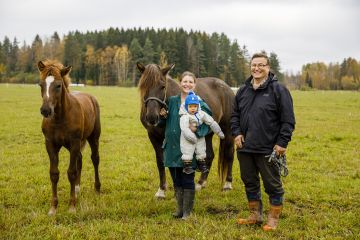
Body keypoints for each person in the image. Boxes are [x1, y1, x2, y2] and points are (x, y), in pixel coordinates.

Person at [230, 53, 295, 231]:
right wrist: (236, 133)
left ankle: (273, 218)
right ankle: (255, 215)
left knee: (272, 184)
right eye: (254, 65)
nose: (257, 68)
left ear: (268, 67)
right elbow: (234, 115)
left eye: (261, 65)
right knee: (249, 181)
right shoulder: (243, 90)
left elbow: (288, 120)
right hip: (244, 148)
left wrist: (282, 143)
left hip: (268, 147)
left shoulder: (278, 90)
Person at [160, 71, 212, 220]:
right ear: (180, 82)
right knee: (176, 179)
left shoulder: (199, 102)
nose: (187, 84)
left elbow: (208, 123)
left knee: (187, 179)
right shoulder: (172, 100)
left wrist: (198, 131)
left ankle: (187, 212)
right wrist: (163, 116)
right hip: (172, 146)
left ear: (195, 85)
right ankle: (179, 209)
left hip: (188, 149)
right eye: (185, 81)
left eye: (190, 82)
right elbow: (165, 122)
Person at [179, 91, 225, 174]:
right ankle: (187, 166)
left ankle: (201, 165)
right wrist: (191, 137)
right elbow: (184, 128)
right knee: (187, 150)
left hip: (199, 136)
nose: (193, 108)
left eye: (195, 106)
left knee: (201, 150)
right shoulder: (185, 117)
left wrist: (219, 132)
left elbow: (211, 122)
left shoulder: (201, 114)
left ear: (198, 106)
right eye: (190, 106)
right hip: (188, 136)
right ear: (186, 107)